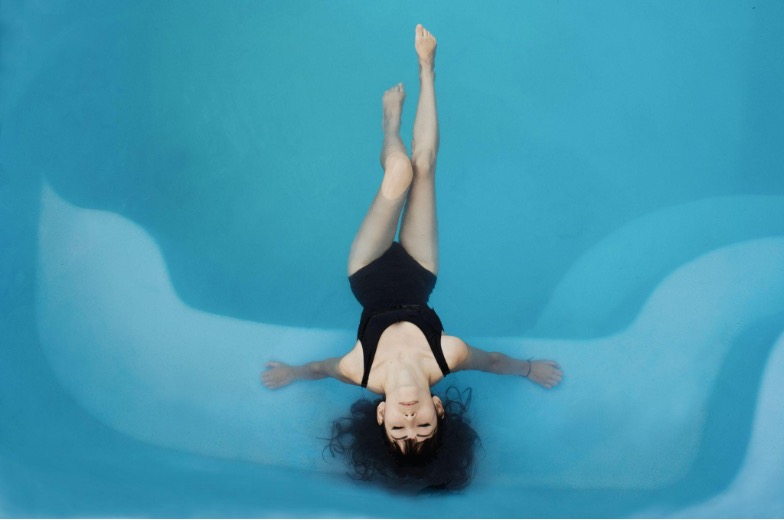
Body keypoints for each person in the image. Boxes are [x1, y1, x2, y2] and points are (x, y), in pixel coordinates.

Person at [262, 24, 563, 492]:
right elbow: (496, 361)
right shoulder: (449, 356)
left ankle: (388, 128)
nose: (409, 421)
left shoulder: (361, 371)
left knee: (399, 171)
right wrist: (529, 370)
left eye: (398, 429)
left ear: (380, 415)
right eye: (423, 427)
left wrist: (293, 373)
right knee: (424, 166)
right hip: (420, 275)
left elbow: (321, 368)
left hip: (367, 272)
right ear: (438, 410)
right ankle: (427, 71)